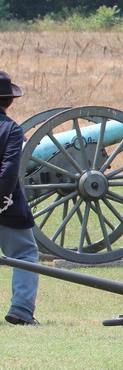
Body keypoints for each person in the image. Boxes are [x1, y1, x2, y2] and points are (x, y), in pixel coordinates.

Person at [0, 71, 41, 326]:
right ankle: (22, 310)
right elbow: (9, 169)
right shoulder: (11, 129)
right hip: (7, 207)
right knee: (25, 253)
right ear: (9, 101)